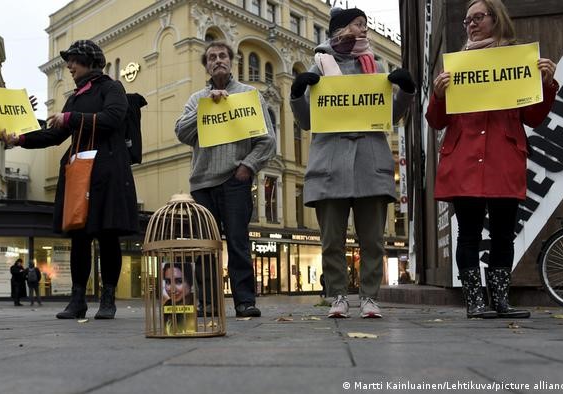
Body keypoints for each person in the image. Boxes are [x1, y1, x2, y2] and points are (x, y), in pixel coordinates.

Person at [426, 0, 558, 319]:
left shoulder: (519, 62)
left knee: (502, 232)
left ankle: (500, 300)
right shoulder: (456, 65)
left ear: (496, 19)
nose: (471, 24)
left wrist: (547, 85)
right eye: (467, 20)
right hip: (464, 157)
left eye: (478, 17)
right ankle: (475, 301)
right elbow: (436, 121)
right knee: (469, 232)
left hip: (503, 156)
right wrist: (439, 95)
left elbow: (533, 117)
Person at [290, 8, 416, 319]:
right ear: (340, 29)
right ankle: (337, 297)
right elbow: (307, 122)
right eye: (357, 24)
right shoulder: (317, 66)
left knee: (372, 239)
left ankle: (370, 298)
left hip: (370, 165)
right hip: (329, 167)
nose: (363, 30)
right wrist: (297, 94)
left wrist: (406, 92)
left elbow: (388, 116)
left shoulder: (375, 66)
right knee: (332, 239)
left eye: (365, 25)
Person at [1, 40, 139, 320]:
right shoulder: (75, 96)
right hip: (79, 174)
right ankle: (78, 300)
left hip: (106, 172)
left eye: (73, 60)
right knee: (79, 237)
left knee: (107, 236)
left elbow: (112, 118)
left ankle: (108, 299)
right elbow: (54, 134)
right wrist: (21, 139)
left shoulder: (112, 87)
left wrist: (70, 117)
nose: (69, 66)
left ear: (89, 60)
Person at [175, 41, 276, 318]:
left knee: (238, 242)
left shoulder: (250, 95)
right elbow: (181, 133)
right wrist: (206, 107)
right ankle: (208, 304)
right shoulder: (197, 99)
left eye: (222, 56)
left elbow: (268, 142)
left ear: (232, 61)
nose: (217, 60)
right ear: (206, 65)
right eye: (211, 57)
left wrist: (248, 166)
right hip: (203, 185)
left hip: (235, 180)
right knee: (204, 248)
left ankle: (244, 301)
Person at [162, 262, 196, 335]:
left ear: (190, 283)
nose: (172, 289)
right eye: (168, 282)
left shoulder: (195, 304)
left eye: (179, 282)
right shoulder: (167, 305)